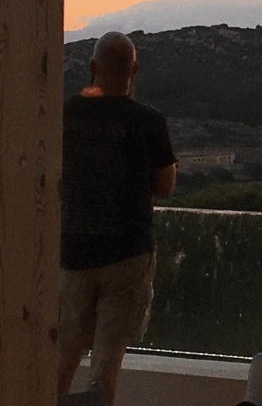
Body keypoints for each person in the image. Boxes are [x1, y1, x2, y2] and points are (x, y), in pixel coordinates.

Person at [57, 32, 176, 405]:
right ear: (134, 70)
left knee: (64, 355)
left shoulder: (66, 114)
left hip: (73, 252)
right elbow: (166, 186)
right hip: (128, 253)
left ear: (92, 68)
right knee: (105, 364)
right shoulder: (150, 121)